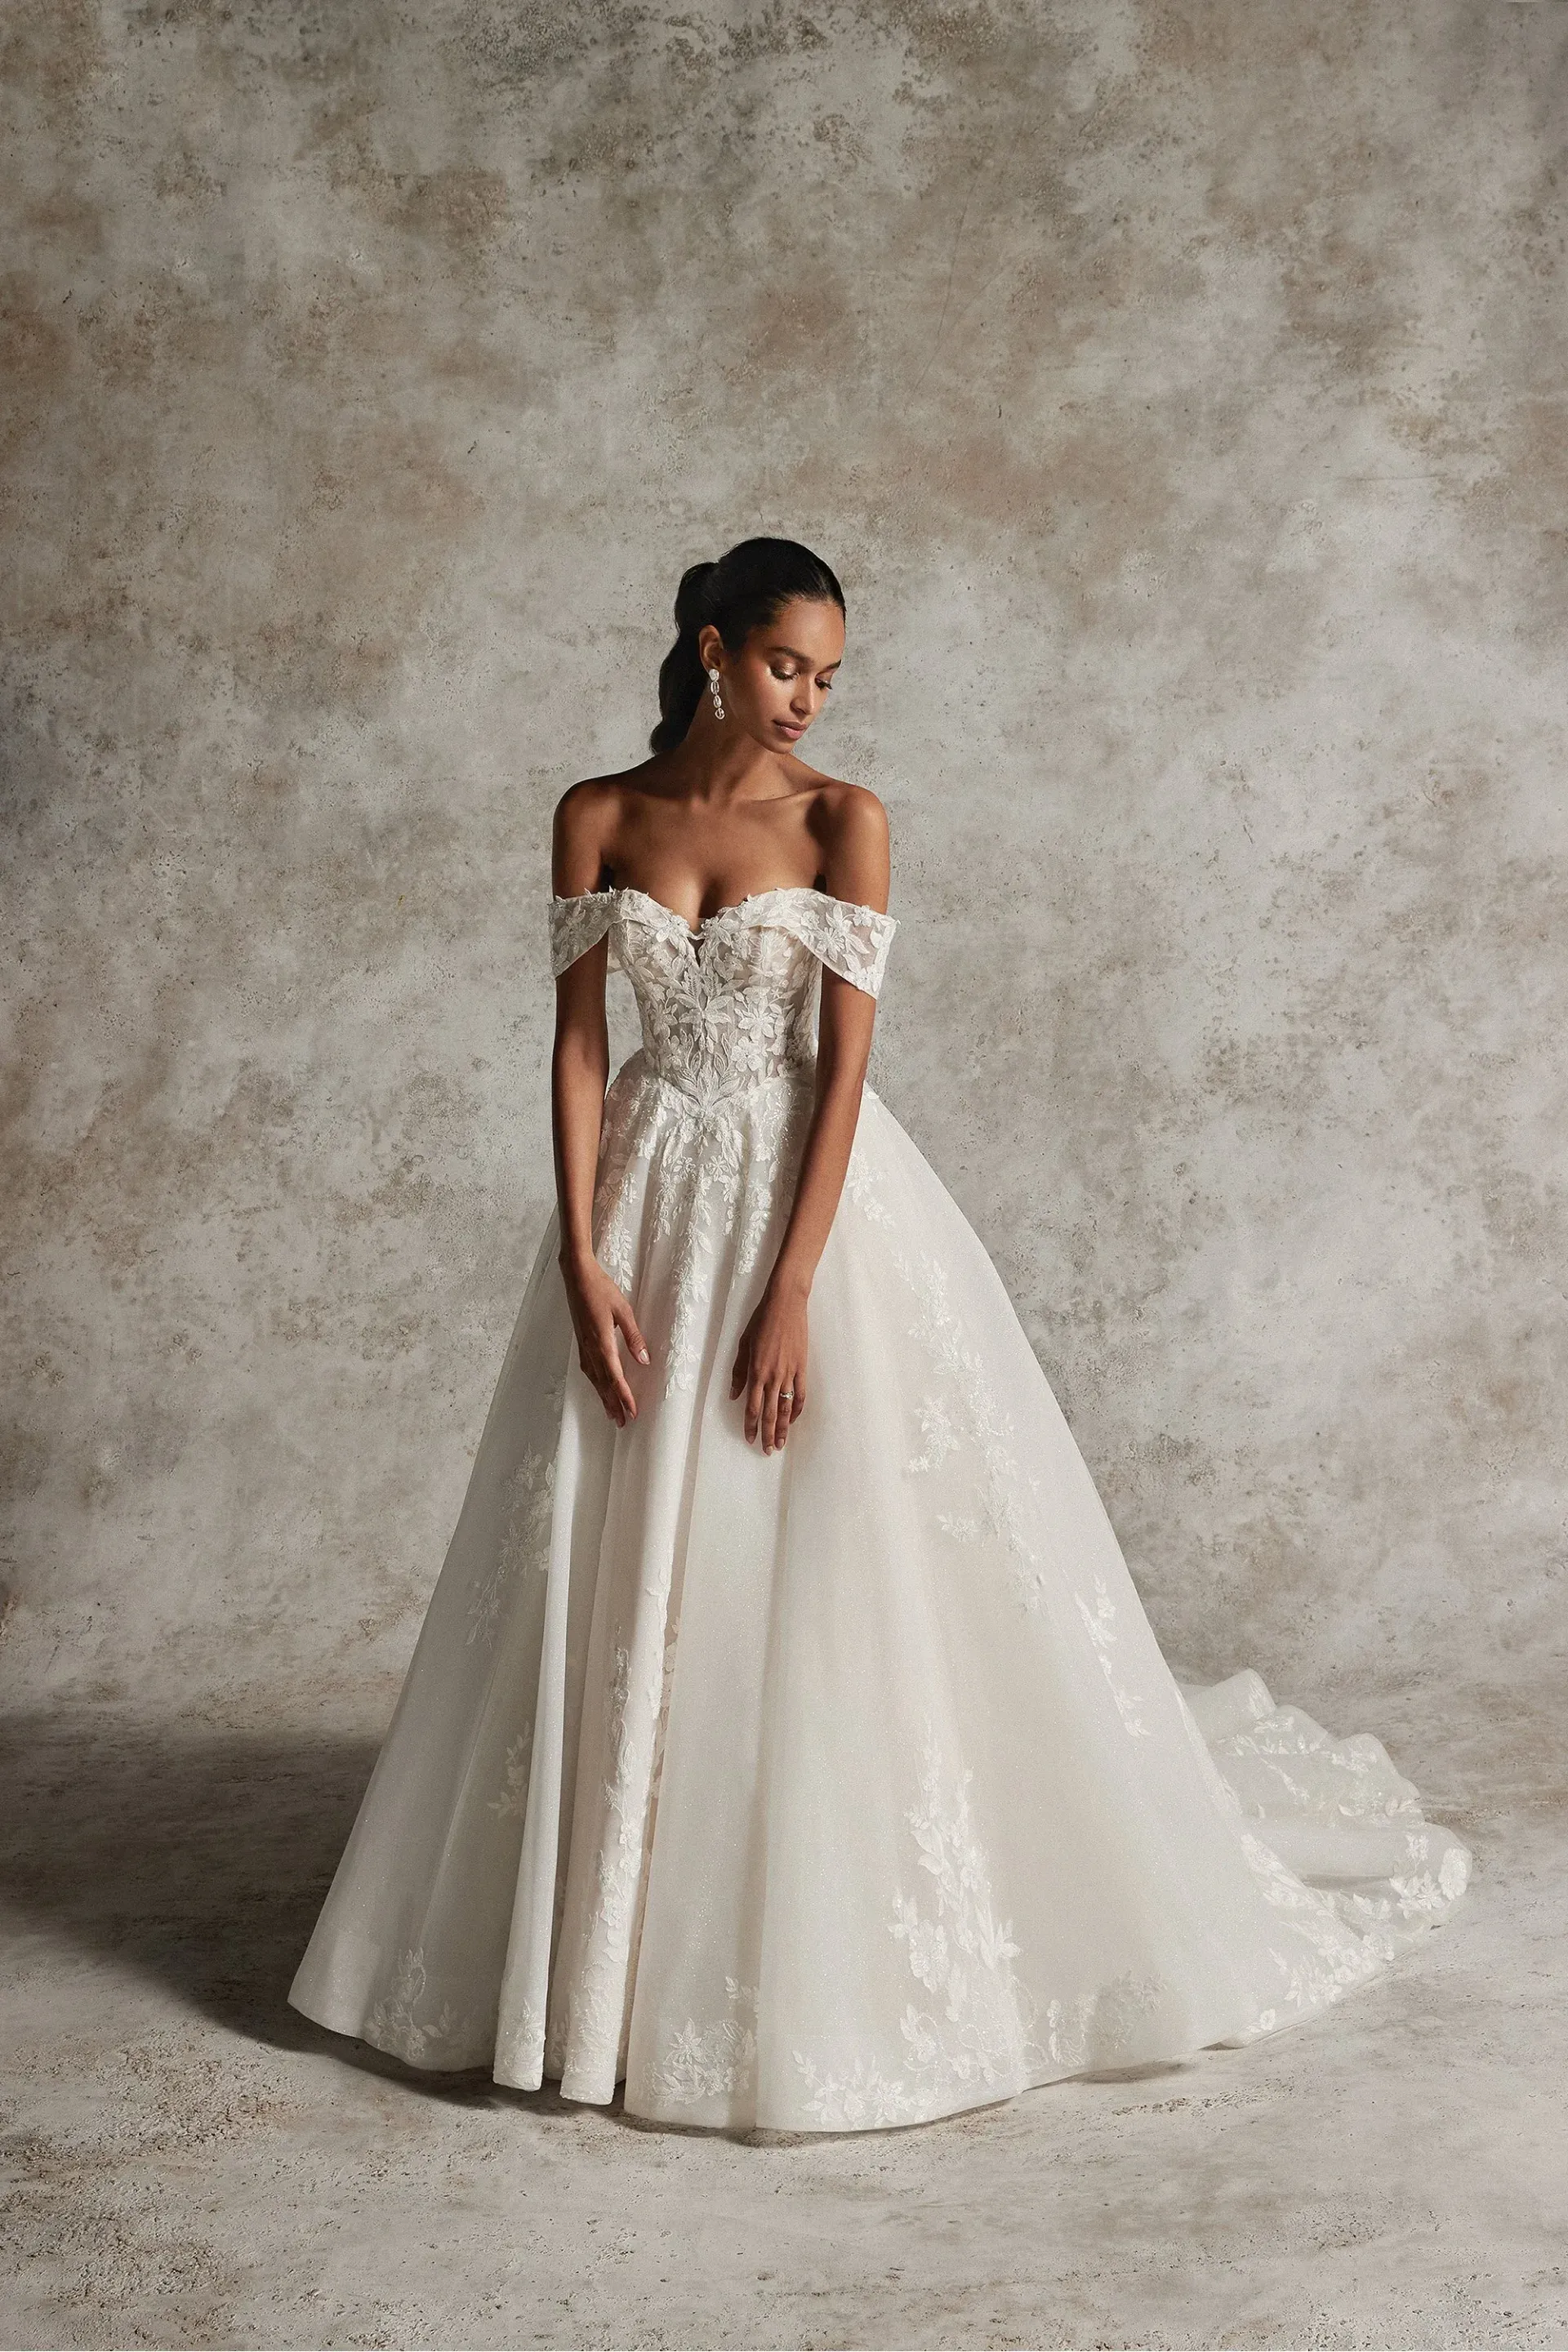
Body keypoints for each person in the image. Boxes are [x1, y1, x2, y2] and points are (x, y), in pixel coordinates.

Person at [288, 536, 1471, 2133]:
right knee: (612, 1542)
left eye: (830, 675)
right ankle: (590, 1949)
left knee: (816, 1554)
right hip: (644, 1202)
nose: (809, 700)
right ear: (714, 649)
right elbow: (579, 1053)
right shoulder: (598, 815)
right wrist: (579, 1253)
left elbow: (841, 1073)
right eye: (787, 665)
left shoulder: (847, 824)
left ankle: (789, 1929)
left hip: (799, 1208)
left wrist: (791, 1285)